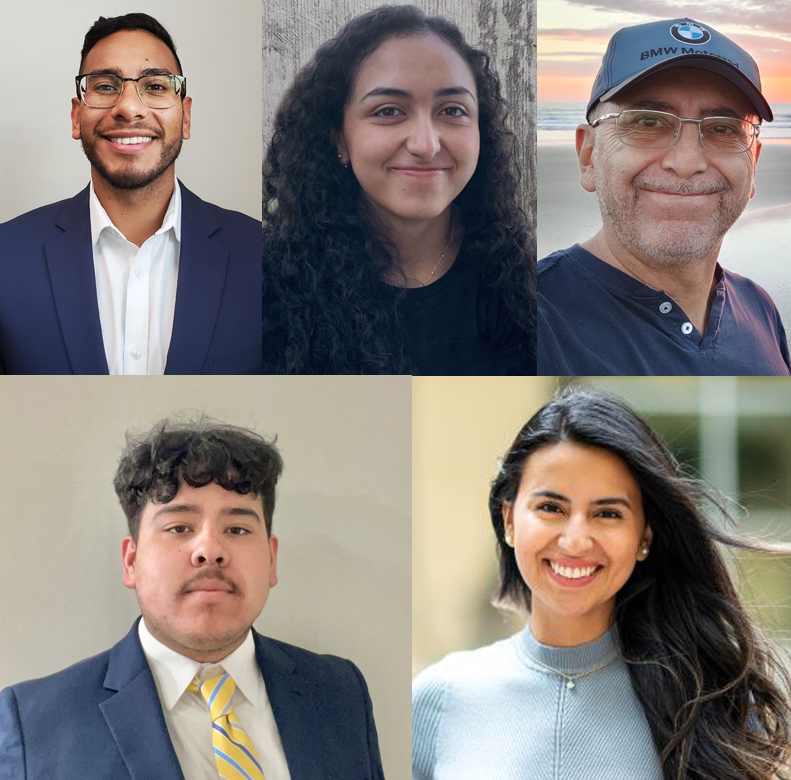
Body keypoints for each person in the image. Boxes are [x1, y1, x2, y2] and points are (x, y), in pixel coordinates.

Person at [412, 390, 791, 780]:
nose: (575, 541)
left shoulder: (713, 705)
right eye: (551, 508)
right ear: (509, 520)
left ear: (644, 536)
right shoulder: (438, 699)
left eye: (607, 513)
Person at [0, 419, 383, 779]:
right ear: (131, 561)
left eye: (236, 528)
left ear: (271, 560)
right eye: (179, 527)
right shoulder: (33, 723)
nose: (210, 550)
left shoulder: (339, 692)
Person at [263, 5, 535, 375]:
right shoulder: (263, 286)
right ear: (340, 138)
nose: (426, 145)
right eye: (389, 111)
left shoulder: (526, 282)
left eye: (452, 110)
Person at [0, 14, 261, 375]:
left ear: (185, 118)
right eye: (105, 87)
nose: (129, 107)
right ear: (77, 117)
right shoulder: (6, 255)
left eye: (155, 86)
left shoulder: (265, 254)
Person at [538, 19, 790, 376]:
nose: (686, 164)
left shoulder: (760, 307)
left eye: (722, 128)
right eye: (648, 123)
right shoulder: (522, 320)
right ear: (589, 155)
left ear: (753, 163)